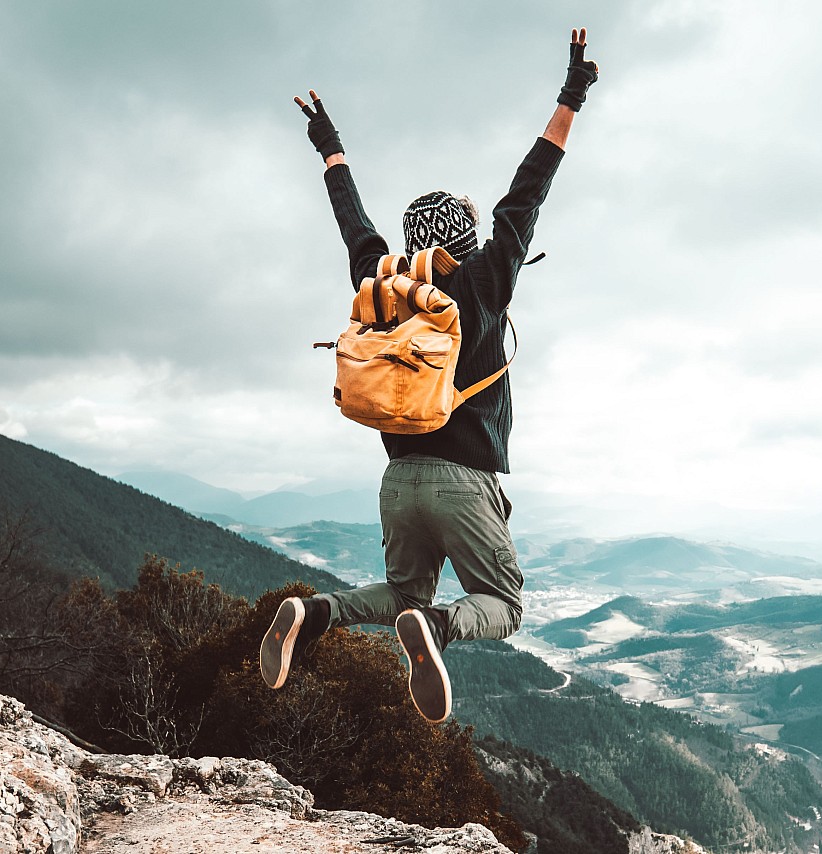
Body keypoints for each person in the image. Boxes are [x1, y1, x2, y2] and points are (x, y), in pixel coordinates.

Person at [260, 28, 599, 724]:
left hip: (398, 479)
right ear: (471, 242)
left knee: (400, 594)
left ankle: (314, 611)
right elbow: (529, 186)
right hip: (463, 481)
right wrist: (571, 95)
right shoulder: (484, 282)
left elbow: (351, 222)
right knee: (502, 604)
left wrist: (328, 144)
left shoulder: (381, 284)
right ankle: (440, 631)